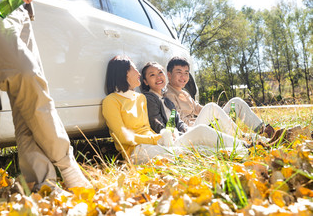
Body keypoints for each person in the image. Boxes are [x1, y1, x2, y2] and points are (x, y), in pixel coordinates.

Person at [0, 0, 91, 190]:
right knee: (26, 76)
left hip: (16, 5)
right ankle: (67, 165)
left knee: (27, 97)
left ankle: (42, 183)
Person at [102, 56, 251, 165]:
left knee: (200, 131)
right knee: (190, 152)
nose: (138, 73)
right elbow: (123, 137)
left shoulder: (139, 98)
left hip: (160, 141)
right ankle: (237, 153)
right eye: (134, 69)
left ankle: (244, 147)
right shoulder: (111, 101)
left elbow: (148, 128)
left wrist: (164, 137)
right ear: (124, 73)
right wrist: (158, 138)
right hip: (137, 151)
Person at [164, 56, 275, 138]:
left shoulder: (185, 93)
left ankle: (264, 131)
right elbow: (178, 123)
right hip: (193, 131)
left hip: (207, 124)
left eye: (186, 73)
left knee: (235, 102)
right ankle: (244, 138)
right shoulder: (168, 95)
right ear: (169, 74)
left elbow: (201, 109)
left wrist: (222, 114)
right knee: (211, 107)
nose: (183, 77)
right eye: (179, 72)